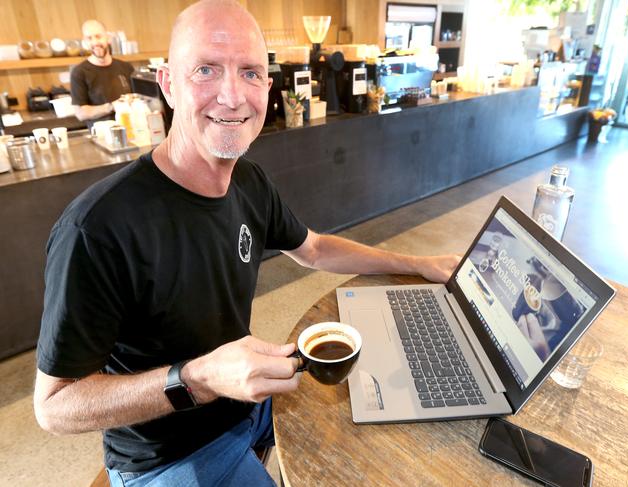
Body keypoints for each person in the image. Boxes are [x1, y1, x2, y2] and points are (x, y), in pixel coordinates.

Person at [33, 1, 460, 485]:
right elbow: (54, 407)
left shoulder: (249, 182)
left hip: (247, 403)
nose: (233, 96)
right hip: (169, 454)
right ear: (168, 83)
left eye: (251, 73)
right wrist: (198, 379)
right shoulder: (97, 227)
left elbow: (315, 250)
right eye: (206, 70)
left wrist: (418, 262)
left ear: (268, 88)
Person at [70, 19, 134, 125]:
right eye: (89, 38)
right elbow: (80, 113)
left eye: (98, 36)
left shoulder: (126, 67)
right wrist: (112, 106)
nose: (95, 42)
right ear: (85, 42)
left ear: (108, 38)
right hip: (101, 134)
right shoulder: (79, 72)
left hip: (130, 128)